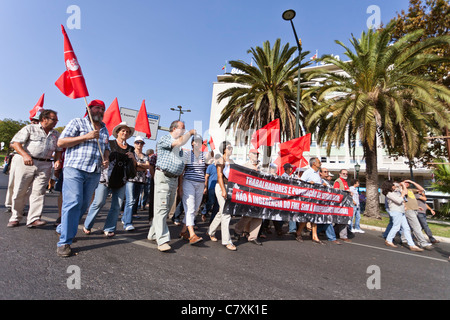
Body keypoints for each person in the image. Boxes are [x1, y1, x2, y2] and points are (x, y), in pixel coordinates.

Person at [55, 100, 110, 257]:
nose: (100, 111)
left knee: (83, 204)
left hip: (94, 171)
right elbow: (61, 142)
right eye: (97, 108)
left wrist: (106, 159)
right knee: (73, 202)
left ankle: (62, 228)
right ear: (89, 109)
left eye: (102, 109)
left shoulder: (105, 129)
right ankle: (64, 242)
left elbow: (106, 148)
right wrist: (86, 136)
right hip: (75, 168)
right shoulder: (77, 122)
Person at [7, 109, 62, 228]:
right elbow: (16, 143)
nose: (56, 122)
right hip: (27, 162)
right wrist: (25, 155)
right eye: (53, 119)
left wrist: (57, 160)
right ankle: (15, 217)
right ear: (44, 119)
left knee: (39, 192)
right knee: (20, 190)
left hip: (45, 165)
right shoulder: (30, 128)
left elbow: (58, 150)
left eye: (57, 120)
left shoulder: (56, 134)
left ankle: (34, 219)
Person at [146, 120, 196, 252]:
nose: (184, 131)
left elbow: (181, 166)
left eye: (185, 129)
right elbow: (179, 142)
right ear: (173, 129)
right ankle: (162, 240)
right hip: (164, 177)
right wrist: (191, 133)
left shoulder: (179, 148)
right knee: (162, 208)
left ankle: (152, 233)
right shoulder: (165, 139)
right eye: (182, 128)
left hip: (173, 179)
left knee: (166, 209)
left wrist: (179, 185)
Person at [83, 122, 135, 237]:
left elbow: (134, 166)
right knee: (99, 202)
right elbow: (101, 156)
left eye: (127, 131)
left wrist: (133, 158)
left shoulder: (131, 148)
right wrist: (104, 160)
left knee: (117, 205)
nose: (125, 133)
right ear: (117, 132)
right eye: (123, 131)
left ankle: (109, 228)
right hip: (105, 178)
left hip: (121, 180)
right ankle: (87, 225)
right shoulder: (109, 144)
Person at [178, 134, 212, 244]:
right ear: (192, 143)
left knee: (195, 209)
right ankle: (192, 234)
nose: (198, 143)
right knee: (190, 207)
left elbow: (212, 156)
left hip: (200, 183)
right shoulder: (187, 154)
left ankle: (183, 231)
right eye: (196, 141)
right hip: (189, 182)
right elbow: (181, 171)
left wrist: (210, 146)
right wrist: (180, 187)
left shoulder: (203, 155)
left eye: (200, 142)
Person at [207, 141, 236, 251]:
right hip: (221, 187)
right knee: (226, 213)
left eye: (231, 147)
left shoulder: (232, 161)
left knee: (221, 211)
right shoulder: (220, 160)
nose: (231, 149)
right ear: (224, 149)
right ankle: (227, 241)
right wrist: (223, 190)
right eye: (229, 147)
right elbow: (219, 176)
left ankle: (210, 231)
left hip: (229, 187)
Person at [381, 180, 423, 252]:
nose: (394, 186)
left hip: (401, 211)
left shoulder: (396, 191)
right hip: (395, 211)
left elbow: (405, 192)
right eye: (393, 185)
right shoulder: (389, 194)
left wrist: (403, 186)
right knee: (396, 226)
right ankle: (388, 240)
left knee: (406, 228)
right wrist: (402, 194)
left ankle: (412, 245)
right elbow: (399, 200)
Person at [234, 149, 263, 245]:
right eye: (254, 154)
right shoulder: (245, 166)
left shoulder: (262, 166)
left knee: (259, 216)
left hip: (260, 194)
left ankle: (253, 236)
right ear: (249, 155)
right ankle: (238, 229)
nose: (256, 156)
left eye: (257, 154)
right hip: (249, 194)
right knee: (248, 215)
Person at [122, 136, 149, 231]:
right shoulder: (130, 153)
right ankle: (128, 223)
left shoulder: (145, 155)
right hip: (130, 179)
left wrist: (137, 163)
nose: (139, 144)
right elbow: (132, 166)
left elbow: (147, 166)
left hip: (140, 180)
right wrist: (141, 165)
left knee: (133, 201)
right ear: (134, 143)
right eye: (137, 142)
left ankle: (124, 218)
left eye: (141, 143)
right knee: (130, 201)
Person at [296, 157, 325, 244]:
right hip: (308, 199)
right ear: (314, 164)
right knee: (306, 218)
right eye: (319, 162)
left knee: (314, 217)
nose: (321, 164)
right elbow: (301, 183)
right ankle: (298, 233)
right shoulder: (308, 172)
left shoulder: (317, 174)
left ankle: (314, 236)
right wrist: (309, 184)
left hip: (316, 199)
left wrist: (322, 183)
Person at [402, 180, 433, 250]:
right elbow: (405, 193)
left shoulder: (411, 190)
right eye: (405, 182)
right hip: (409, 210)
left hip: (415, 210)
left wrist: (412, 182)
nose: (407, 184)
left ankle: (404, 239)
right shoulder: (401, 189)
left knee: (408, 226)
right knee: (417, 227)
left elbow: (422, 189)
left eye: (408, 183)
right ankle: (423, 243)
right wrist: (403, 185)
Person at [316, 167, 342, 244]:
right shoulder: (318, 180)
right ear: (320, 173)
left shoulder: (327, 182)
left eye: (327, 172)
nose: (326, 173)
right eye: (325, 172)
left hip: (327, 204)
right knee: (327, 220)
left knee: (322, 222)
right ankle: (332, 237)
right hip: (320, 203)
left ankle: (314, 233)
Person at [332, 169, 352, 243]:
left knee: (341, 220)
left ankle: (335, 232)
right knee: (343, 219)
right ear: (340, 174)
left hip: (345, 203)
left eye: (346, 174)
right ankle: (343, 236)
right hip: (340, 203)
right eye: (343, 173)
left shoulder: (345, 182)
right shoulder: (338, 181)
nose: (345, 175)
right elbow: (336, 191)